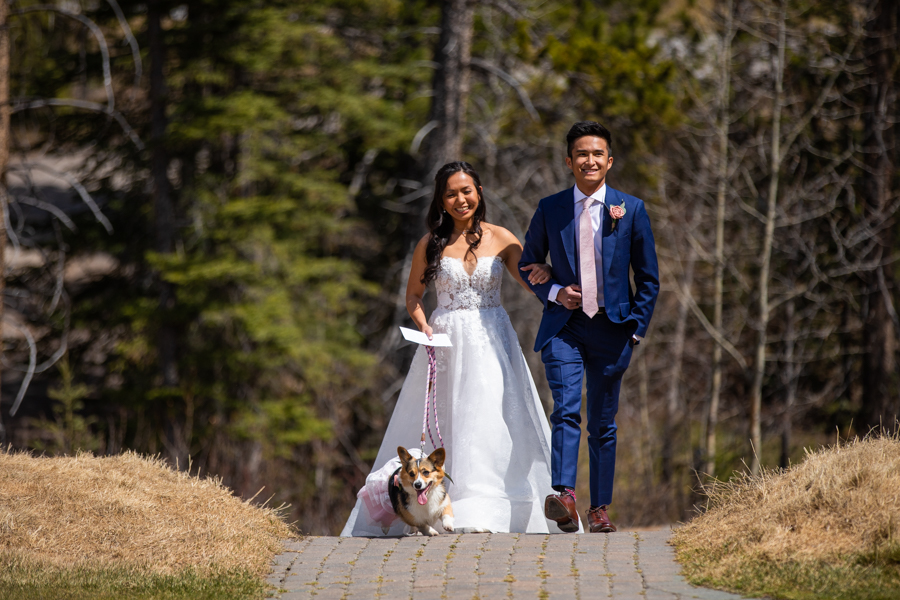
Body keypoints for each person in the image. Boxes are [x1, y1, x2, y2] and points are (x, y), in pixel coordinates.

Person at [342, 161, 579, 536]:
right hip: (447, 340)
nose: (459, 199)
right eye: (450, 193)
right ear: (441, 200)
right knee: (450, 415)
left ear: (479, 192)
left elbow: (531, 282)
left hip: (492, 339)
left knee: (490, 414)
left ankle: (487, 505)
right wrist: (423, 325)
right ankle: (432, 507)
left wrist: (554, 284)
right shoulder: (430, 244)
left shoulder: (502, 238)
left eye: (466, 191)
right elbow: (414, 295)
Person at [518, 121, 659, 533]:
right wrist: (556, 291)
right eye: (581, 154)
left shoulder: (630, 209)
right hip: (565, 328)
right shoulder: (550, 208)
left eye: (597, 154)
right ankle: (564, 496)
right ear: (569, 162)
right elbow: (527, 265)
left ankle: (600, 509)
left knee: (602, 422)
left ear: (609, 161)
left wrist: (635, 330)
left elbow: (648, 278)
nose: (589, 160)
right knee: (565, 409)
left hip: (614, 330)